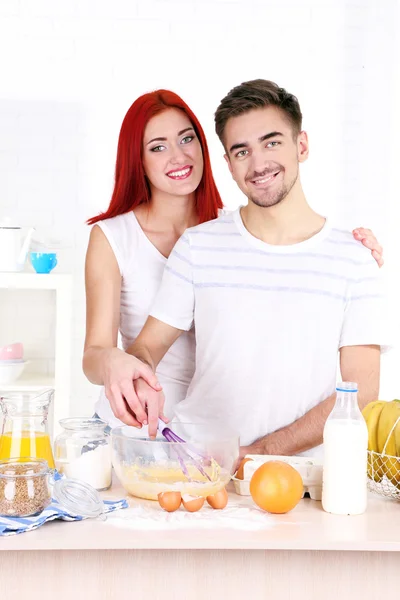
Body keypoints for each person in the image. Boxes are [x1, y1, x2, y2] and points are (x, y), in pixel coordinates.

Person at [83, 86, 384, 438]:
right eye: (158, 147)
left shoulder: (228, 231)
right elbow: (114, 350)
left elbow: (359, 391)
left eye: (186, 139)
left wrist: (353, 255)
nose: (178, 157)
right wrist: (120, 363)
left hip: (211, 439)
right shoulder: (173, 243)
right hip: (142, 420)